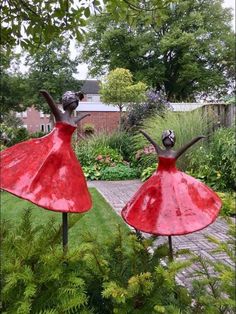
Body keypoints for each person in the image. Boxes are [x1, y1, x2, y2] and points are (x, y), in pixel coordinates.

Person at [0, 90, 92, 213]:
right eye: (73, 101)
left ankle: (65, 199)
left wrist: (86, 115)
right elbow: (51, 104)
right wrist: (46, 94)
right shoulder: (60, 115)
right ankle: (36, 189)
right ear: (67, 103)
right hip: (56, 146)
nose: (75, 104)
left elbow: (79, 117)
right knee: (45, 169)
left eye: (76, 102)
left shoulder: (72, 120)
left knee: (68, 176)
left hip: (66, 151)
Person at [121, 130, 222, 235]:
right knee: (151, 203)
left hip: (173, 180)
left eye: (170, 139)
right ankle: (150, 223)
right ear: (163, 141)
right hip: (158, 179)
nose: (167, 141)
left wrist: (197, 138)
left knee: (173, 203)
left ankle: (173, 224)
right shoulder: (159, 150)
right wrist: (143, 132)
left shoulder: (175, 153)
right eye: (166, 139)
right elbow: (150, 139)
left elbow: (187, 146)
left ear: (173, 141)